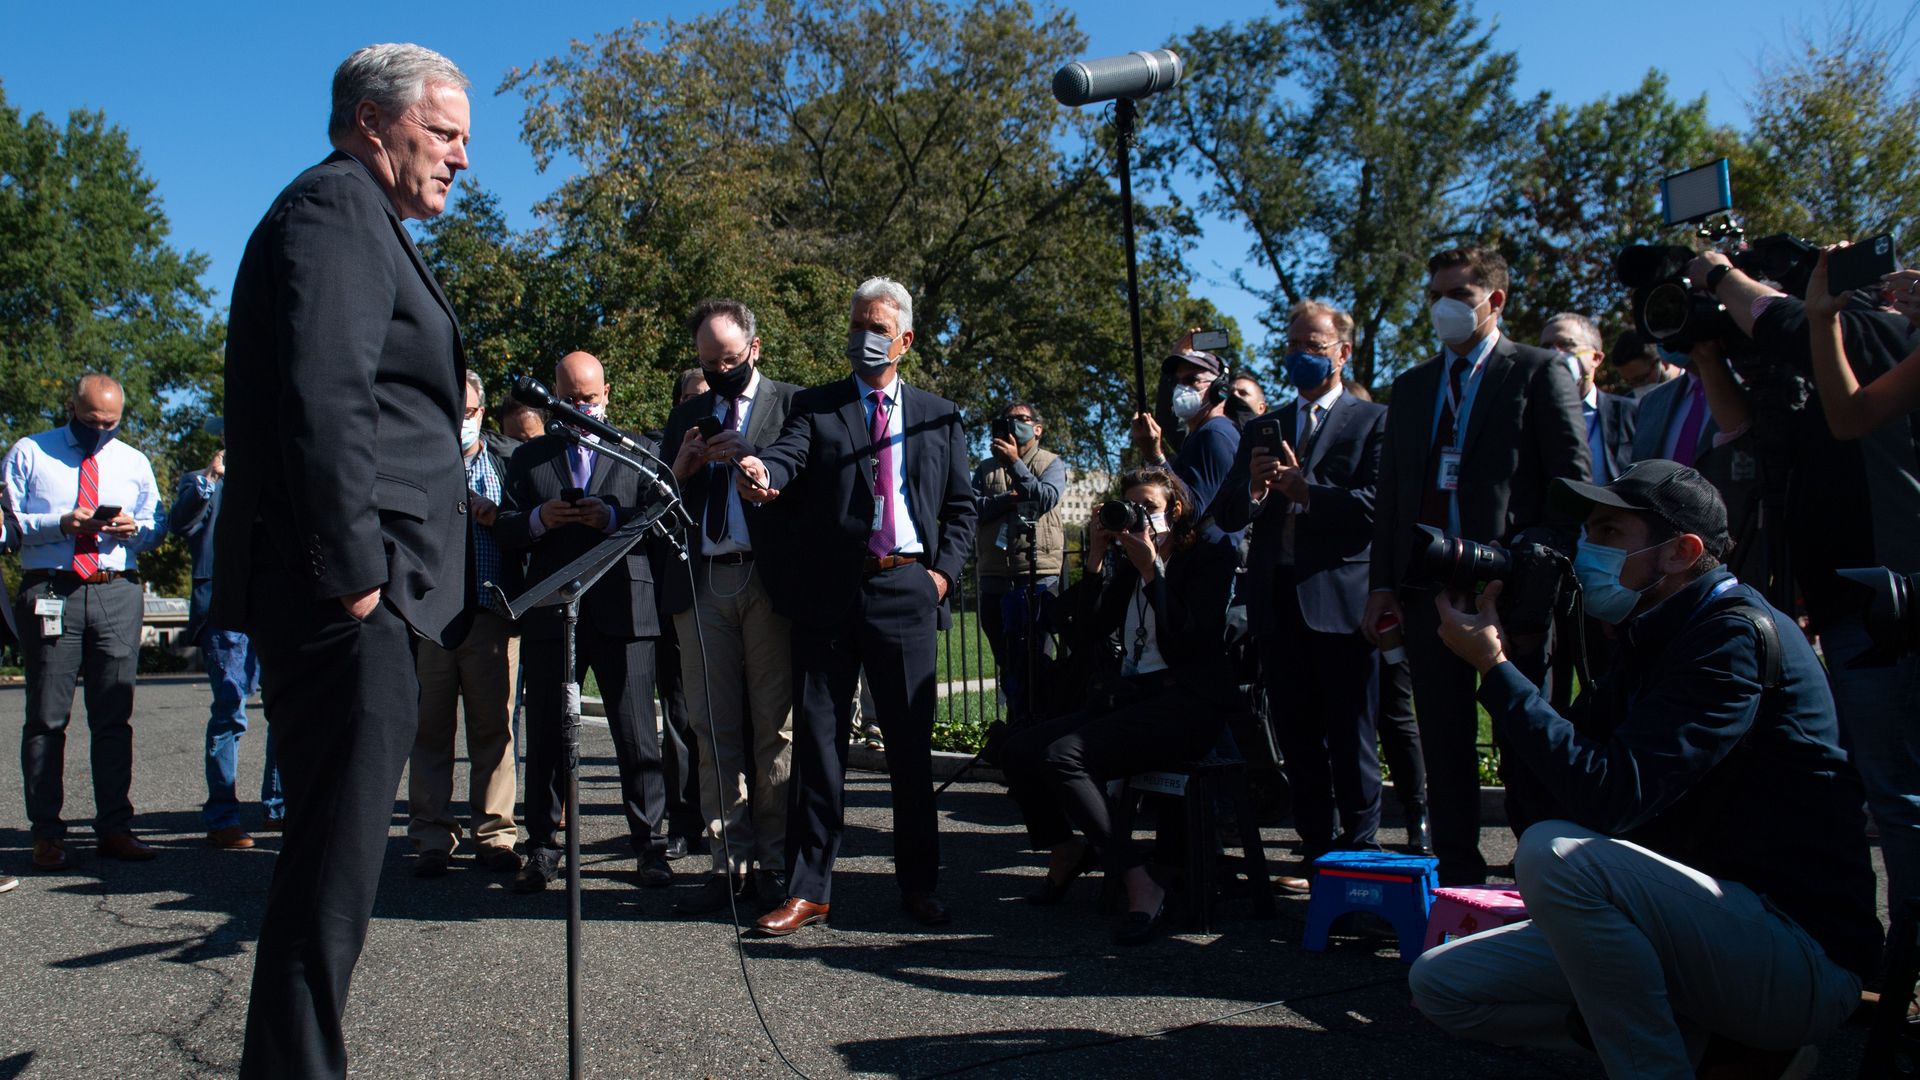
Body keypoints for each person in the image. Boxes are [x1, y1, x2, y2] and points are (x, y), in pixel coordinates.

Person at [1409, 460, 1881, 1079]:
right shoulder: (1658, 629)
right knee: (1444, 984)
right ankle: (1735, 1058)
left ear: (1681, 552)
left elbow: (1611, 800)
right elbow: (1548, 797)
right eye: (1587, 533)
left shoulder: (1731, 636)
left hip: (1796, 953)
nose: (1585, 550)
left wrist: (1496, 674)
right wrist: (1514, 656)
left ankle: (1657, 1067)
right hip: (1706, 928)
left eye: (1608, 533)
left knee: (1559, 858)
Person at [218, 44, 475, 1079]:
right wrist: (355, 570)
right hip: (345, 596)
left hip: (362, 590)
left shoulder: (360, 219)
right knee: (329, 876)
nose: (463, 156)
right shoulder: (334, 211)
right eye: (447, 132)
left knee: (335, 874)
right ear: (377, 122)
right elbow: (327, 400)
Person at [735, 276, 977, 933]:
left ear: (905, 339)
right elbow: (785, 458)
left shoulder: (937, 414)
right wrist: (763, 476)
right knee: (819, 747)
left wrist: (941, 579)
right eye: (855, 326)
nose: (862, 340)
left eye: (876, 328)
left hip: (906, 590)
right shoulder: (818, 406)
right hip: (829, 596)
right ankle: (809, 889)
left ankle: (919, 887)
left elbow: (961, 506)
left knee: (908, 751)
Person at [1363, 246, 1588, 885]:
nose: (1442, 307)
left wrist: (1530, 574)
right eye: (1435, 293)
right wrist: (1383, 585)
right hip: (1428, 590)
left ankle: (1542, 880)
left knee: (1524, 741)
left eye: (1458, 295)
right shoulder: (1411, 386)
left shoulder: (1539, 372)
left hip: (1508, 592)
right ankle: (1457, 879)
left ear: (1495, 301)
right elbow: (1394, 499)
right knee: (1445, 742)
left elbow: (1572, 491)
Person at [1000, 465, 1238, 943]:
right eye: (1131, 508)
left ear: (1175, 508)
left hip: (1187, 703)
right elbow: (1085, 635)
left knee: (1063, 756)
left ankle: (1139, 881)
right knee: (1016, 749)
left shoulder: (1208, 556)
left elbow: (1190, 642)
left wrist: (1155, 572)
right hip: (1133, 699)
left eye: (1147, 508)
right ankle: (1066, 850)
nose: (1139, 518)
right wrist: (1094, 560)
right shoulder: (1128, 561)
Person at [1215, 300, 1387, 875]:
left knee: (1351, 737)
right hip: (1277, 603)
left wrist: (1306, 490)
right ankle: (1317, 855)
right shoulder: (1269, 424)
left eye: (1313, 345)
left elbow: (1378, 508)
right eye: (1293, 345)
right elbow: (1230, 509)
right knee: (1298, 738)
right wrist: (1261, 491)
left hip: (1340, 605)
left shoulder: (1372, 421)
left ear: (1343, 351)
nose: (1300, 356)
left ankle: (1359, 858)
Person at [496, 351, 675, 893]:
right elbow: (503, 527)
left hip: (625, 609)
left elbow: (664, 519)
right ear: (553, 397)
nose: (580, 409)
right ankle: (543, 847)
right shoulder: (530, 460)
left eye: (589, 399)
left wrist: (613, 517)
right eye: (569, 400)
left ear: (607, 395)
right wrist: (537, 518)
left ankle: (650, 847)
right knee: (548, 734)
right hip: (555, 613)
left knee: (637, 734)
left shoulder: (640, 453)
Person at [659, 299, 800, 916]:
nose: (721, 370)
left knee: (774, 727)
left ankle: (773, 863)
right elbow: (658, 507)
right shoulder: (689, 413)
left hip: (766, 583)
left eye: (731, 359)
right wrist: (681, 470)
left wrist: (757, 467)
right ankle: (727, 862)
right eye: (708, 362)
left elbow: (812, 497)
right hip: (702, 584)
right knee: (713, 728)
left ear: (755, 348)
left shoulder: (791, 405)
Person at [3, 373, 162, 872]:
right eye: (93, 421)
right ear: (71, 407)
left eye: (111, 423)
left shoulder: (132, 461)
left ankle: (115, 827)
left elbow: (155, 526)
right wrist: (60, 523)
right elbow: (6, 525)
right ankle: (47, 834)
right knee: (48, 717)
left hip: (116, 589)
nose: (102, 431)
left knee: (113, 716)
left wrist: (135, 529)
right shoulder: (30, 452)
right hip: (52, 589)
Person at [405, 372, 522, 878]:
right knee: (430, 730)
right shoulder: (418, 462)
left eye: (470, 412)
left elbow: (529, 525)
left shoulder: (509, 460)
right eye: (453, 413)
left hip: (492, 615)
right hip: (432, 616)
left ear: (483, 413)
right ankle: (431, 835)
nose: (462, 422)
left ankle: (494, 834)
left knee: (493, 730)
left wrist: (499, 517)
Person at [170, 419, 283, 849]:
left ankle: (278, 806)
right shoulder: (199, 482)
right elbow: (180, 525)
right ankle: (222, 817)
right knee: (230, 712)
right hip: (222, 608)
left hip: (270, 603)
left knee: (281, 707)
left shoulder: (273, 473)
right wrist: (212, 477)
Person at [648, 364, 712, 864]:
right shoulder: (659, 458)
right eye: (691, 398)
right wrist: (679, 469)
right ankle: (683, 819)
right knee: (679, 716)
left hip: (737, 595)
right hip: (680, 598)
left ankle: (729, 822)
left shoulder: (744, 444)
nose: (702, 406)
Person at [971, 401, 1067, 723]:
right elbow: (972, 509)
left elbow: (1045, 498)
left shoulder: (1052, 463)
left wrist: (1015, 464)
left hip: (1038, 574)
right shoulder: (985, 469)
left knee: (1036, 658)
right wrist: (1007, 499)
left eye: (1022, 419)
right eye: (1008, 420)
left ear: (1037, 428)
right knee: (1006, 659)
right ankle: (1015, 723)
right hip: (995, 574)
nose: (1014, 424)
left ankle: (1036, 725)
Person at [1130, 345, 1241, 524]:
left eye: (1191, 379)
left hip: (1213, 550)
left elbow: (1192, 508)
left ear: (1219, 388)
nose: (1182, 389)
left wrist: (1155, 456)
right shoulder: (1201, 433)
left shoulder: (1215, 433)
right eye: (1178, 382)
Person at [1540, 314, 1635, 485]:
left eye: (1566, 345)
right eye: (1546, 347)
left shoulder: (1629, 412)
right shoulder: (1531, 416)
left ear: (1596, 358)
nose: (1553, 355)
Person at [1606, 328, 1682, 399]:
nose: (1638, 387)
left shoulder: (1692, 385)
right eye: (1630, 383)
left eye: (1641, 379)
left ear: (1664, 361)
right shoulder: (1629, 405)